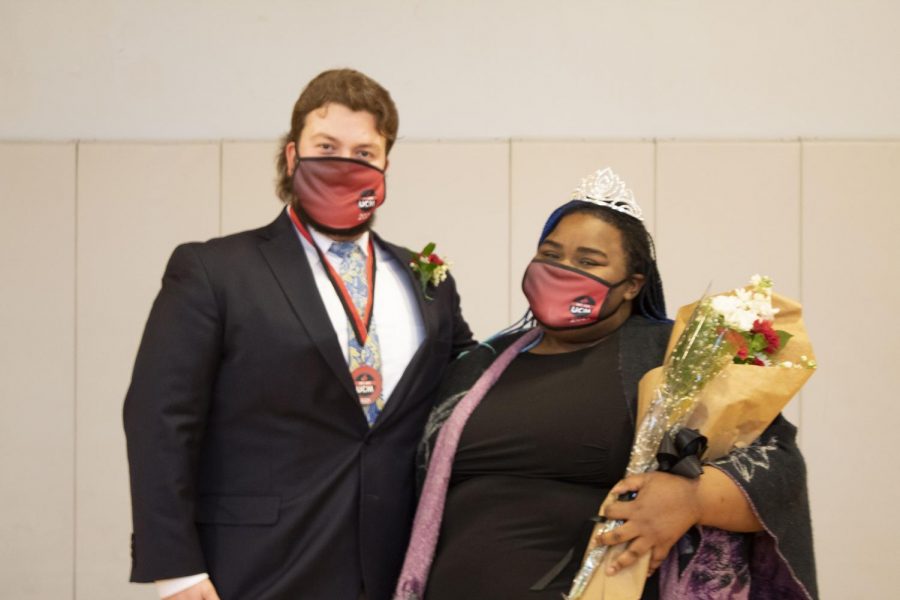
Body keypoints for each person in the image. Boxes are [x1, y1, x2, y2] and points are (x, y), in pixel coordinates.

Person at [124, 68, 475, 600]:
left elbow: (471, 393)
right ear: (292, 156)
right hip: (254, 568)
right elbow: (159, 418)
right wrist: (176, 569)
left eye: (363, 153)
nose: (343, 164)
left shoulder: (425, 280)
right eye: (326, 146)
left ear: (384, 165)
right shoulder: (214, 270)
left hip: (395, 567)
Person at [394, 168, 816, 600]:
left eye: (588, 262)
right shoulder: (479, 365)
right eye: (550, 254)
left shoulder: (674, 358)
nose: (562, 270)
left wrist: (693, 497)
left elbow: (780, 468)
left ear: (633, 285)